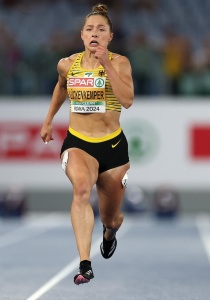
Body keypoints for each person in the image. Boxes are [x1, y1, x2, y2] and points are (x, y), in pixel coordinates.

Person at [40, 3, 134, 285]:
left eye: (101, 30)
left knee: (112, 217)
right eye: (90, 29)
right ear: (82, 35)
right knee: (81, 190)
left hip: (113, 148)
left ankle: (109, 233)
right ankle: (85, 263)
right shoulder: (67, 64)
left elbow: (127, 100)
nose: (95, 34)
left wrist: (105, 63)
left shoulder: (120, 63)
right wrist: (48, 121)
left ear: (110, 37)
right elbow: (61, 87)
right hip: (78, 142)